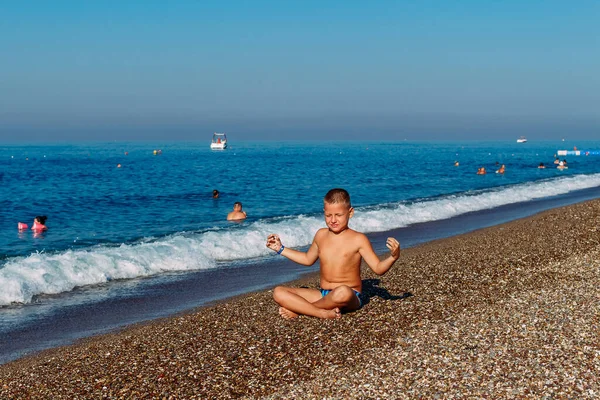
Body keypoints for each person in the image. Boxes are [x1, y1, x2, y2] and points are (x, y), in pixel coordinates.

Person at [266, 188, 401, 319]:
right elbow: (307, 259)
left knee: (342, 292)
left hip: (349, 295)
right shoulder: (321, 235)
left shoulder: (358, 239)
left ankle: (304, 310)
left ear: (350, 212)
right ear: (324, 212)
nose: (333, 220)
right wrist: (281, 249)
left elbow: (378, 268)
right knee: (279, 292)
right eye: (328, 215)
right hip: (323, 294)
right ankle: (319, 312)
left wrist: (393, 257)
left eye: (339, 215)